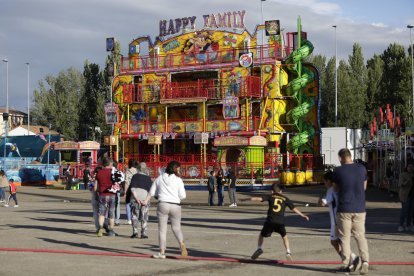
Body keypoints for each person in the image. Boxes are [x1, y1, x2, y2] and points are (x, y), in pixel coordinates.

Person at [242, 184, 309, 261]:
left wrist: (249, 199)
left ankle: (259, 248)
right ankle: (288, 252)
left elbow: (259, 198)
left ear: (272, 191)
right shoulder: (285, 198)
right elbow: (293, 208)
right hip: (280, 222)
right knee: (285, 237)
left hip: (270, 221)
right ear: (281, 191)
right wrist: (303, 215)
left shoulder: (271, 196)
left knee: (261, 235)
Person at [332, 148, 369, 275]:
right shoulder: (362, 168)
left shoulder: (338, 170)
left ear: (341, 158)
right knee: (360, 236)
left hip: (344, 208)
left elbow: (335, 189)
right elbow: (364, 187)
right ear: (350, 156)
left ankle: (347, 263)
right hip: (360, 208)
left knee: (344, 238)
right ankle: (365, 262)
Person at [143, 160, 187, 259]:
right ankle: (181, 243)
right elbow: (183, 195)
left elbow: (151, 192)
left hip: (163, 204)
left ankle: (162, 252)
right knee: (176, 228)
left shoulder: (159, 178)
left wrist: (145, 201)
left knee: (162, 230)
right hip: (175, 205)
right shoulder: (178, 180)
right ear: (175, 169)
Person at [319, 170, 356, 263]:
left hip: (336, 220)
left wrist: (320, 200)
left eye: (324, 181)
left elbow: (324, 203)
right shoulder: (340, 188)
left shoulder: (331, 190)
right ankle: (351, 259)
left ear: (329, 181)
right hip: (345, 217)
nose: (324, 183)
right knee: (341, 240)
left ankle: (350, 259)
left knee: (336, 241)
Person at [128, 162, 152, 239]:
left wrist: (136, 198)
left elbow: (132, 188)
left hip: (135, 200)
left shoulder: (134, 177)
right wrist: (146, 200)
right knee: (144, 216)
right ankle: (143, 233)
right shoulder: (148, 178)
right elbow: (150, 191)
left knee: (134, 215)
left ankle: (135, 232)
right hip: (145, 199)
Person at [94, 157, 117, 237]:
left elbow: (95, 187)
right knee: (111, 213)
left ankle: (100, 228)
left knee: (102, 213)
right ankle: (111, 231)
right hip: (112, 195)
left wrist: (97, 192)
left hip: (102, 194)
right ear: (110, 164)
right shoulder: (114, 172)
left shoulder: (99, 172)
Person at [398, 162, 414, 232]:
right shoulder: (403, 174)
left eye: (412, 167)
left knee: (411, 212)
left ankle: (408, 225)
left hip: (412, 195)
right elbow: (400, 184)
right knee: (404, 211)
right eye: (409, 167)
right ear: (406, 167)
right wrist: (408, 180)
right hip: (405, 195)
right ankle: (401, 225)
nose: (410, 168)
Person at [125, 159, 138, 225]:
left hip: (129, 188)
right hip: (136, 188)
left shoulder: (128, 171)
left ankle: (129, 219)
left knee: (128, 204)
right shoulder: (137, 171)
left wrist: (125, 191)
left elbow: (127, 182)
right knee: (135, 203)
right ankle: (135, 216)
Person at [112, 161, 125, 226]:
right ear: (117, 166)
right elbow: (123, 182)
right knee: (117, 205)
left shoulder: (109, 172)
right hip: (117, 191)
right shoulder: (120, 173)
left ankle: (109, 219)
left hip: (109, 190)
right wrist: (124, 190)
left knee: (109, 206)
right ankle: (116, 220)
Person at [89, 166, 102, 232]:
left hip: (94, 198)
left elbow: (90, 188)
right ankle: (102, 225)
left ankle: (98, 227)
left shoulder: (93, 179)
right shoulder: (102, 177)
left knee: (96, 213)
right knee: (103, 213)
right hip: (102, 198)